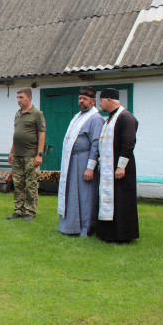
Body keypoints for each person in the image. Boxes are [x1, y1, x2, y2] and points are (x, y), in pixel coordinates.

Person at [57, 87, 104, 237]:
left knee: (85, 195)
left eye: (85, 99)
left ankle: (85, 227)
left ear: (93, 101)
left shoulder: (95, 119)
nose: (81, 101)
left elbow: (96, 144)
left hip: (84, 160)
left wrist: (90, 167)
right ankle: (70, 226)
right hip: (73, 160)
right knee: (71, 194)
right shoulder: (77, 116)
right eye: (80, 98)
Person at [97, 88, 139, 243]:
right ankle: (108, 233)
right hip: (109, 166)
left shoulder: (126, 117)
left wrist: (121, 166)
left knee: (122, 199)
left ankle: (123, 234)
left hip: (121, 166)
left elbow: (129, 142)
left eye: (101, 100)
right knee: (113, 198)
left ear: (109, 100)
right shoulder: (110, 118)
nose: (100, 104)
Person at [7, 87, 46, 222]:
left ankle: (30, 211)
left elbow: (42, 135)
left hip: (30, 155)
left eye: (21, 97)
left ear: (29, 98)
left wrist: (39, 154)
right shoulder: (17, 114)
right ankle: (19, 210)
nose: (18, 100)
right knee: (18, 184)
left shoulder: (37, 114)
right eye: (17, 97)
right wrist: (11, 152)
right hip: (17, 155)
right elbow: (16, 134)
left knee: (30, 184)